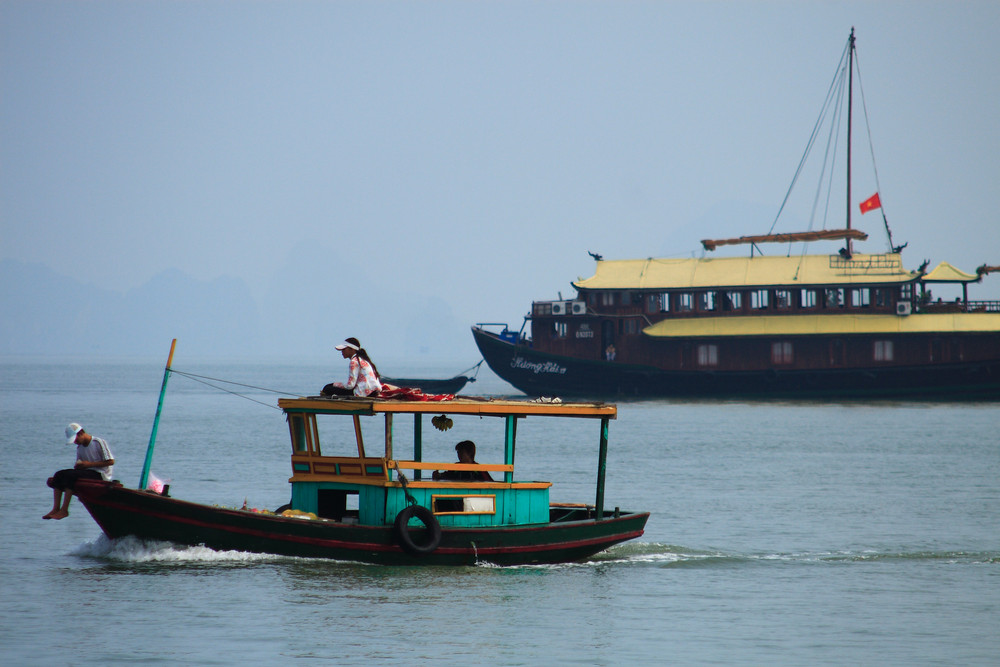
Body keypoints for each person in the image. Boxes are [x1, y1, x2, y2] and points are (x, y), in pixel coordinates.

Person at [44, 423, 115, 520]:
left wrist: (89, 465)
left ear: (81, 433)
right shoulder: (80, 448)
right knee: (59, 474)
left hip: (100, 474)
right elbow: (80, 466)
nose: (75, 442)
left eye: (76, 439)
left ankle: (64, 509)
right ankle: (56, 508)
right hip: (87, 472)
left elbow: (111, 461)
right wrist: (80, 466)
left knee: (71, 476)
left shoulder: (98, 442)